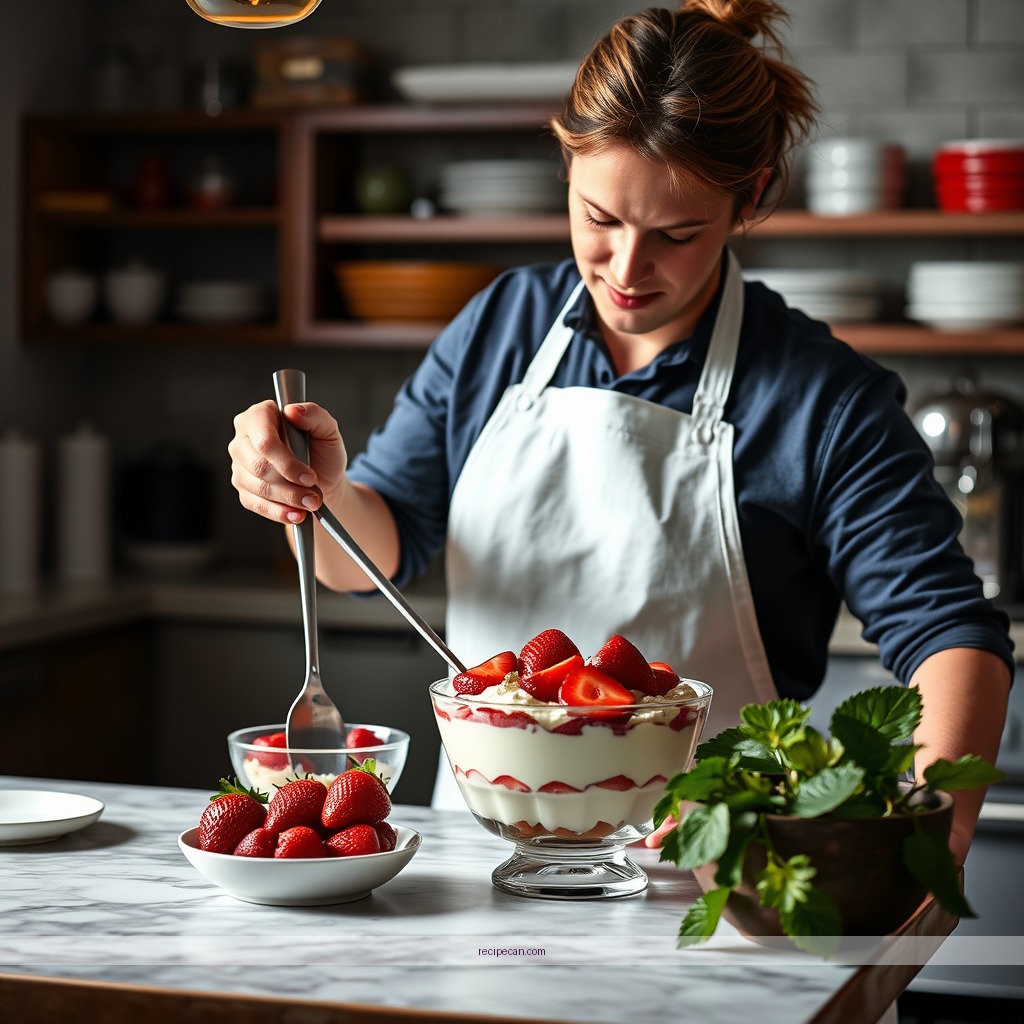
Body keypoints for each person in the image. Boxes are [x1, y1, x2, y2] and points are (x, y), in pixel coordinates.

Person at [228, 0, 1012, 866]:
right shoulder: (504, 326)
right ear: (567, 163)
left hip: (717, 875)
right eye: (600, 219)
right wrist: (322, 493)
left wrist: (926, 836)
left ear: (748, 199)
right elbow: (359, 563)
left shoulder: (824, 398)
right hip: (487, 858)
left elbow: (950, 638)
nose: (628, 270)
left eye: (677, 234)